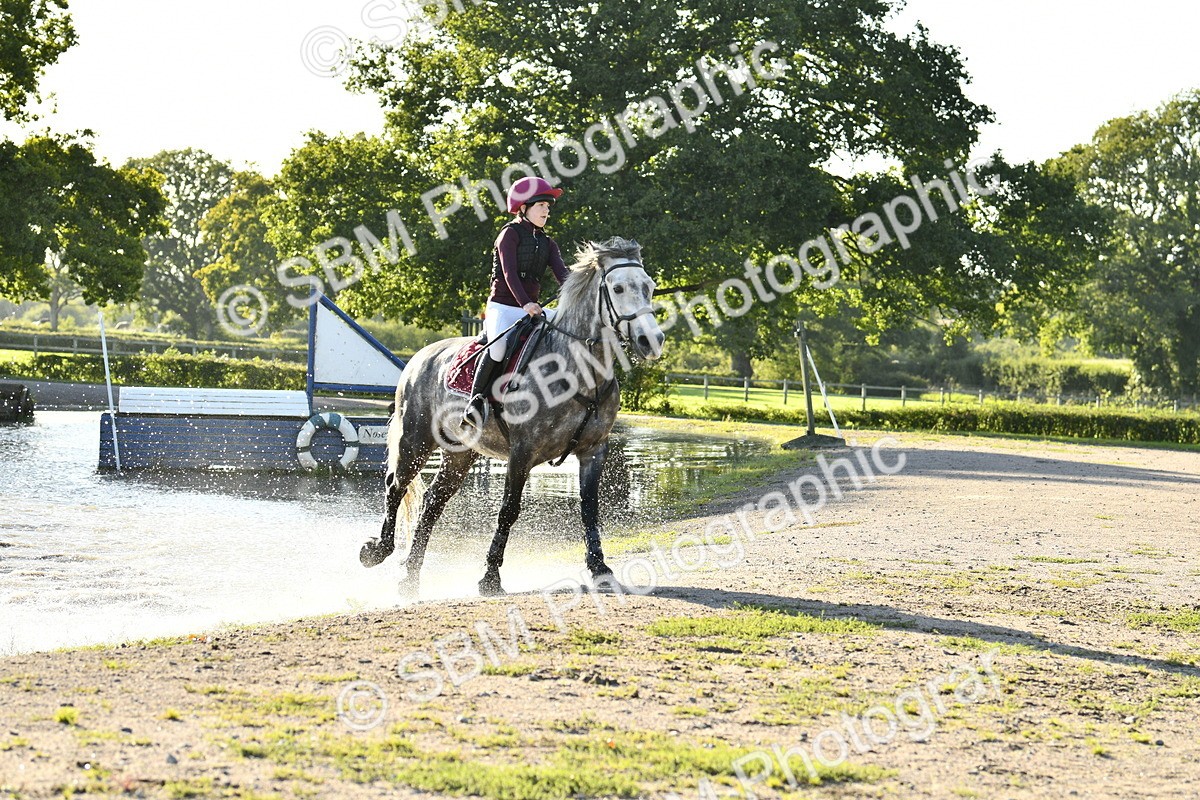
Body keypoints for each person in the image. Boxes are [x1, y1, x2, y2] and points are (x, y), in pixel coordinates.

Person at [462, 176, 569, 427]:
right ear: (523, 207)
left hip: (531, 309)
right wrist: (525, 303)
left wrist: (583, 291)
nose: (546, 211)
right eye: (541, 205)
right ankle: (474, 402)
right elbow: (509, 274)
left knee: (567, 329)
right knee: (497, 348)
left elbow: (563, 275)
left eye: (548, 207)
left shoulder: (547, 243)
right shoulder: (508, 235)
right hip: (503, 307)